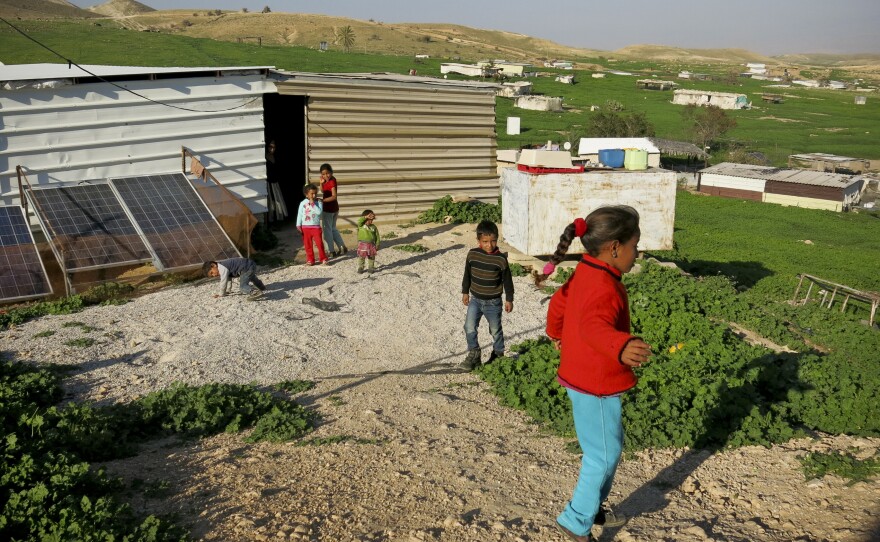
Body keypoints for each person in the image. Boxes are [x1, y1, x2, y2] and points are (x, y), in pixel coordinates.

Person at [538, 206, 652, 542]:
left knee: (605, 449)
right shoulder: (604, 285)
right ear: (615, 247)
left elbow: (559, 302)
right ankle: (576, 520)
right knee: (602, 455)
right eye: (635, 245)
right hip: (596, 382)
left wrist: (555, 333)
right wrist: (620, 345)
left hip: (580, 373)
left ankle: (591, 505)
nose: (637, 253)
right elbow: (593, 326)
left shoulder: (585, 270)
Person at [460, 220, 514, 370]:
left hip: (494, 302)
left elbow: (508, 281)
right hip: (475, 300)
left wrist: (509, 299)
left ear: (497, 239)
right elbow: (467, 275)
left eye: (493, 241)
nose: (489, 245)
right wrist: (465, 292)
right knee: (469, 327)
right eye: (485, 241)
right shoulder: (472, 255)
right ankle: (474, 354)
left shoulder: (501, 259)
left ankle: (498, 354)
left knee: (495, 330)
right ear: (478, 241)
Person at [296, 183, 329, 265]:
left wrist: (313, 204)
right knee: (308, 245)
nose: (314, 195)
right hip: (305, 227)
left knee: (319, 244)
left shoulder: (319, 202)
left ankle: (323, 258)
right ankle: (310, 260)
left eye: (315, 193)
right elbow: (300, 214)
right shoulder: (302, 203)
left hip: (316, 227)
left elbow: (318, 212)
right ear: (306, 194)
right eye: (312, 194)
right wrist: (298, 224)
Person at [318, 163, 347, 257]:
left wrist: (323, 200)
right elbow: (323, 191)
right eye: (323, 174)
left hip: (329, 209)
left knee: (327, 230)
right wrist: (321, 183)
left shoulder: (332, 182)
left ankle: (331, 251)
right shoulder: (328, 180)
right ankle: (342, 247)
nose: (325, 175)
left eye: (327, 173)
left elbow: (334, 196)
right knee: (333, 228)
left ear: (331, 172)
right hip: (334, 209)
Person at [356, 209, 380, 274]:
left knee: (371, 256)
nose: (371, 221)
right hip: (362, 244)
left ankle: (371, 267)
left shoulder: (374, 227)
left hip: (371, 244)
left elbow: (377, 236)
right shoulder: (361, 225)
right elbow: (359, 221)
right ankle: (361, 267)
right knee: (361, 256)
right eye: (369, 220)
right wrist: (366, 217)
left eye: (372, 220)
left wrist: (377, 244)